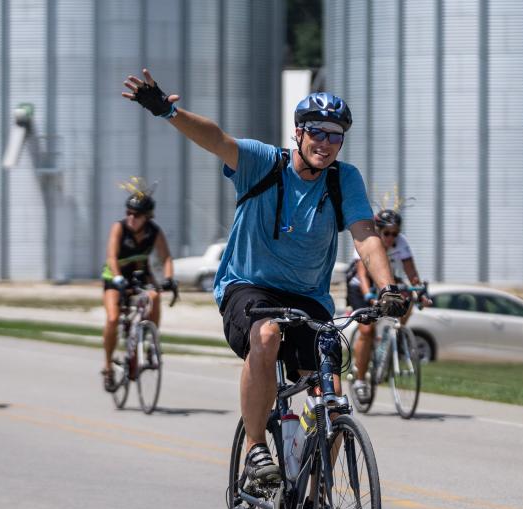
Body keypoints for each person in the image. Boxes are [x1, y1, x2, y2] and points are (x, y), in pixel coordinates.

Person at [122, 69, 408, 483]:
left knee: (332, 399)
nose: (325, 143)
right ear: (299, 132)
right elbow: (217, 140)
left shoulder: (343, 179)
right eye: (317, 132)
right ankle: (256, 447)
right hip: (248, 286)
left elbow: (365, 235)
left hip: (308, 296)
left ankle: (313, 500)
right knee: (268, 335)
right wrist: (169, 112)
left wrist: (388, 288)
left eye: (335, 135)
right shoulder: (263, 162)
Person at [101, 177, 178, 392]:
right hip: (115, 278)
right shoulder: (119, 228)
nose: (130, 218)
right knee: (113, 318)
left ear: (147, 217)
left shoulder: (154, 232)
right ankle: (107, 367)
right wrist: (117, 279)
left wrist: (169, 278)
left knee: (154, 297)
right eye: (128, 212)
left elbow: (166, 258)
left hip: (140, 276)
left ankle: (150, 341)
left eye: (136, 215)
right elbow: (111, 257)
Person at [347, 208, 431, 402]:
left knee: (408, 297)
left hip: (387, 282)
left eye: (395, 233)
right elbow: (361, 273)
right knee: (367, 331)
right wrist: (369, 295)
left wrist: (419, 292)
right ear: (379, 230)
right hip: (361, 285)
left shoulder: (401, 243)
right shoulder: (369, 239)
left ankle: (395, 335)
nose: (391, 238)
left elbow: (412, 274)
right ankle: (360, 381)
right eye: (387, 233)